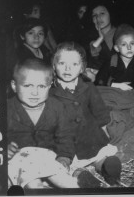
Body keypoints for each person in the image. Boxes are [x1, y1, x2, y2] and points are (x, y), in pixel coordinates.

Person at [7, 58, 88, 189]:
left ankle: (77, 186)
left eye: (41, 86)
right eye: (27, 86)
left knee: (57, 172)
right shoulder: (5, 109)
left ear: (50, 86)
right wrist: (4, 147)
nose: (35, 92)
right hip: (20, 160)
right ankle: (42, 189)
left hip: (48, 158)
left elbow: (66, 135)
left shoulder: (57, 107)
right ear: (14, 86)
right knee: (32, 183)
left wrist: (64, 156)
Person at [49, 42, 122, 186]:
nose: (68, 68)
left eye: (74, 64)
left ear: (82, 68)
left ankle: (107, 168)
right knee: (65, 165)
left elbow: (100, 111)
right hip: (66, 143)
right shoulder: (50, 93)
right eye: (62, 63)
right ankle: (82, 176)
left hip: (90, 136)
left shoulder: (88, 87)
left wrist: (105, 132)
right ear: (53, 66)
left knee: (98, 156)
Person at [95, 24, 134, 90]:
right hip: (113, 92)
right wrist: (116, 85)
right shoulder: (111, 62)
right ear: (117, 48)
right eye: (124, 44)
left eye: (132, 43)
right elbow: (99, 80)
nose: (129, 47)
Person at [86, 4, 117, 81]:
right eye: (94, 15)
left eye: (102, 13)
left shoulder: (121, 34)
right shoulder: (89, 38)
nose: (98, 17)